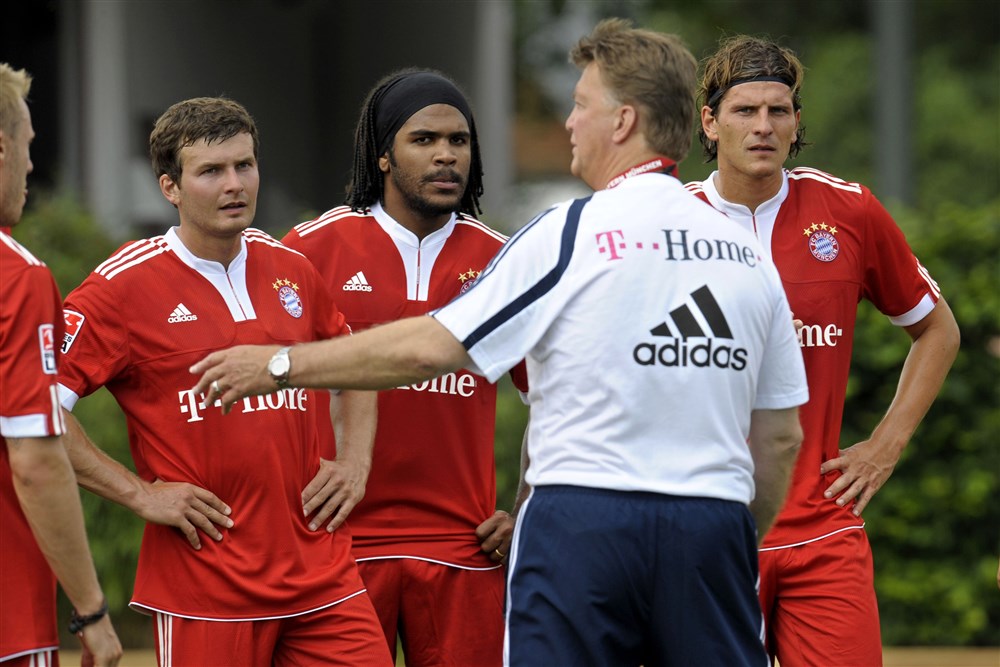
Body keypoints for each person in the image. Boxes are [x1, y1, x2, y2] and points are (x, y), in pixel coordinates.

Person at [192, 19, 809, 666]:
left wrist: (281, 364)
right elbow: (779, 439)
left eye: (579, 105)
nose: (569, 123)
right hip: (710, 525)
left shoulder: (567, 233)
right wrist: (734, 534)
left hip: (580, 524)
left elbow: (431, 348)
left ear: (622, 121)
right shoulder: (746, 254)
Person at [56, 96, 392, 666]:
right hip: (206, 587)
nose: (235, 184)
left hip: (322, 576)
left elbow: (355, 366)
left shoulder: (290, 267)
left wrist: (355, 461)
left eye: (245, 165)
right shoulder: (122, 286)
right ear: (170, 187)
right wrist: (139, 493)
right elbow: (32, 407)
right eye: (211, 171)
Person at [686, 35, 961, 667]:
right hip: (705, 535)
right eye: (744, 111)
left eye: (778, 111)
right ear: (710, 121)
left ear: (797, 121)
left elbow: (936, 329)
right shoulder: (670, 223)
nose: (763, 127)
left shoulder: (849, 210)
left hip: (822, 529)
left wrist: (885, 446)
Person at [281, 68, 528, 666]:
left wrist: (528, 507)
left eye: (459, 141)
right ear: (382, 155)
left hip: (463, 549)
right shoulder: (309, 251)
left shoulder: (504, 262)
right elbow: (264, 381)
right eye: (424, 140)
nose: (446, 156)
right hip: (336, 546)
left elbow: (564, 396)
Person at [0, 62, 122, 667]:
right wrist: (92, 610)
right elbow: (37, 463)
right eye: (26, 147)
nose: (29, 166)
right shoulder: (16, 276)